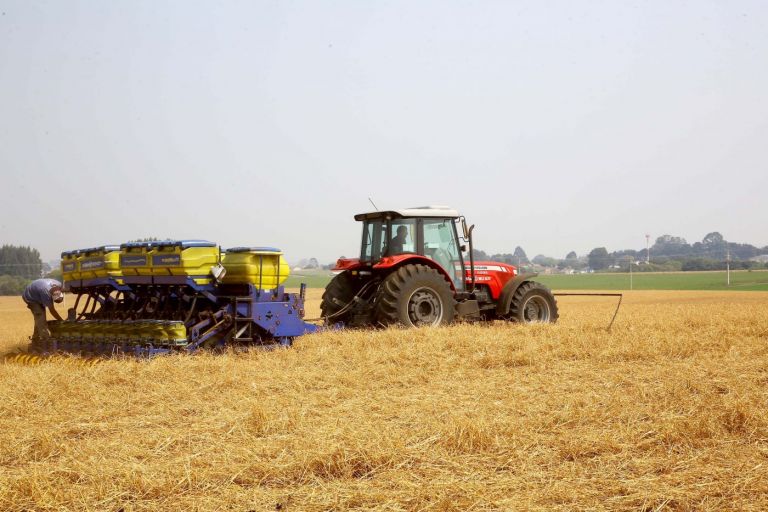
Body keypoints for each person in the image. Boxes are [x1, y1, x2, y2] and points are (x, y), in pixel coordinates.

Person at [22, 278, 64, 344]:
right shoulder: (46, 293)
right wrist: (61, 321)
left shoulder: (59, 284)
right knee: (40, 316)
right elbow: (52, 310)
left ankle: (35, 340)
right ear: (51, 296)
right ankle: (46, 340)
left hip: (38, 291)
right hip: (30, 296)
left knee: (39, 319)